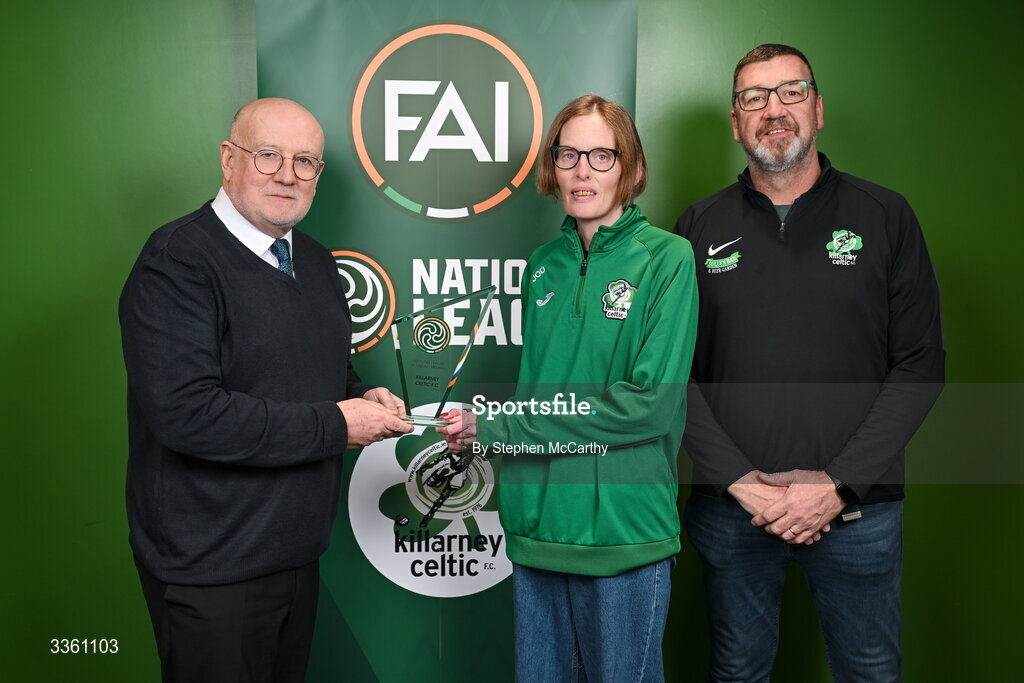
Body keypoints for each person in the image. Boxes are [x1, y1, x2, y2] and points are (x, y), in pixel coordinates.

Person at [675, 44, 944, 682]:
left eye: (791, 92)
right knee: (738, 672)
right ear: (736, 122)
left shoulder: (886, 217)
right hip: (733, 510)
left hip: (859, 512)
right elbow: (669, 378)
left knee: (871, 673)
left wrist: (835, 485)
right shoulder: (696, 228)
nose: (774, 109)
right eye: (754, 98)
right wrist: (741, 482)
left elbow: (920, 366)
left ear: (818, 109)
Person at [119, 97, 412, 683]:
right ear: (229, 159)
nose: (287, 174)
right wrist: (339, 423)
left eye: (305, 162)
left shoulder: (319, 263)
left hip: (295, 556)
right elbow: (188, 415)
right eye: (268, 155)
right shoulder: (177, 263)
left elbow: (320, 377)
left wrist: (365, 395)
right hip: (211, 568)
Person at [440, 95, 698, 682]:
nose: (583, 170)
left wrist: (498, 428)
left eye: (601, 155)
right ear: (553, 169)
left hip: (622, 533)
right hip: (536, 532)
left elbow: (647, 408)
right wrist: (481, 434)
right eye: (569, 154)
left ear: (630, 168)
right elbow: (540, 395)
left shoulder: (667, 259)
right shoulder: (541, 267)